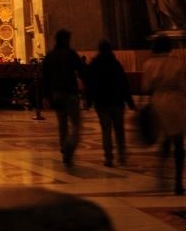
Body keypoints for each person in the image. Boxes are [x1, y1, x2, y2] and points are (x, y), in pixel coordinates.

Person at [142, 34, 186, 195]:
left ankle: (161, 170)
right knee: (178, 142)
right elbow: (183, 85)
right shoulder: (177, 63)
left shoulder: (149, 64)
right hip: (175, 102)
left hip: (157, 102)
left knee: (165, 139)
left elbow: (146, 87)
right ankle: (178, 181)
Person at [41, 28, 87, 165]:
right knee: (76, 124)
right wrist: (87, 88)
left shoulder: (50, 55)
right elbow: (82, 70)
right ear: (66, 40)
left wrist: (46, 96)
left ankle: (63, 147)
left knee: (62, 124)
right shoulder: (71, 53)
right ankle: (69, 145)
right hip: (71, 93)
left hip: (57, 94)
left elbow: (45, 77)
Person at [86, 39, 135, 167]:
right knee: (119, 129)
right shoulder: (115, 64)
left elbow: (90, 84)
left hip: (101, 102)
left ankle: (108, 157)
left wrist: (89, 101)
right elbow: (124, 83)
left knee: (106, 130)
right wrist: (130, 102)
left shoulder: (95, 65)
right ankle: (122, 154)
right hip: (117, 101)